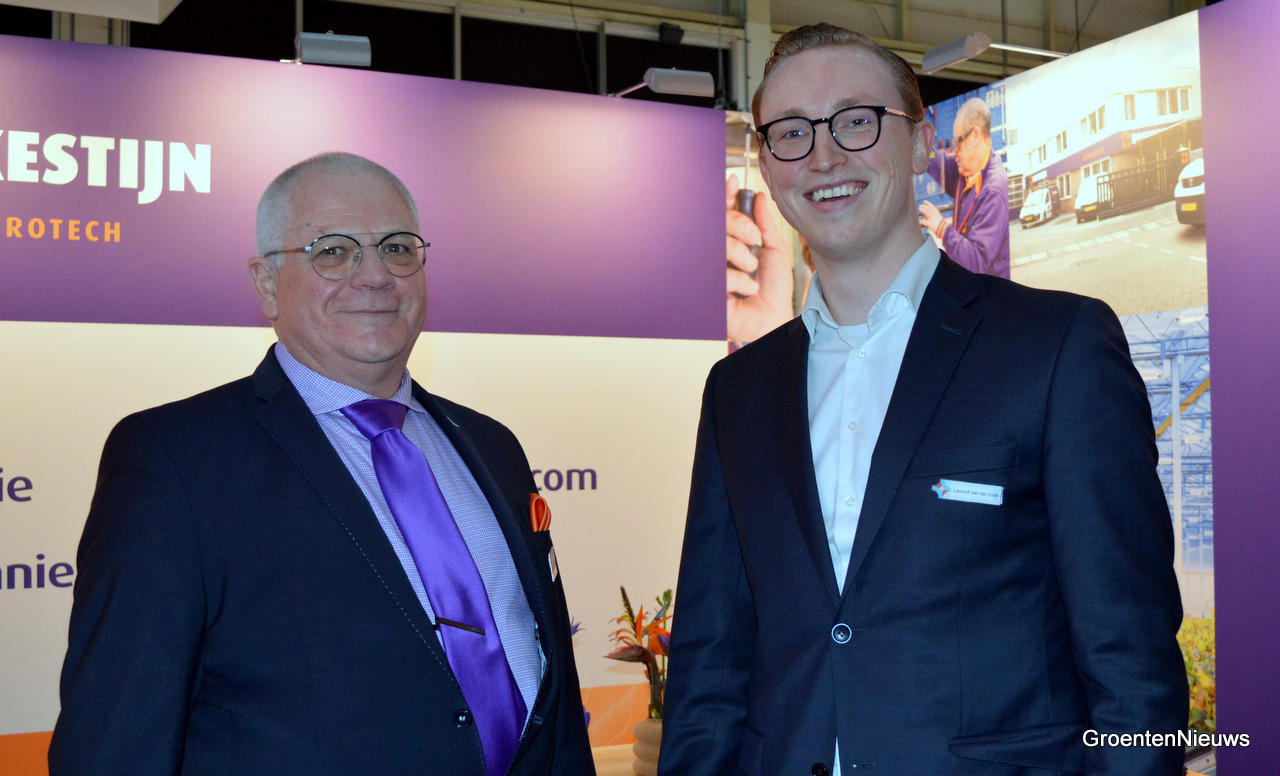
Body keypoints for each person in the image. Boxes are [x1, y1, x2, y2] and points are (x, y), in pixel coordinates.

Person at [661, 24, 1186, 776]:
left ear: (918, 143)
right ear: (768, 169)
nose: (823, 155)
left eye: (855, 120)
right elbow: (709, 664)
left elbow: (1131, 659)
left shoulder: (1055, 347)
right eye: (792, 132)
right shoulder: (738, 390)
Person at [49, 152, 594, 776]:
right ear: (265, 283)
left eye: (397, 248)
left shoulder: (494, 446)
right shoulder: (175, 460)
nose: (376, 276)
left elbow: (551, 689)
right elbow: (118, 735)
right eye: (333, 251)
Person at [918, 96, 1012, 278]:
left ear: (975, 136)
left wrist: (942, 228)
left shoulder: (993, 191)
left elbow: (975, 262)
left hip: (987, 292)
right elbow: (937, 162)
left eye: (957, 143)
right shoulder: (965, 171)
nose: (954, 152)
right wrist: (918, 141)